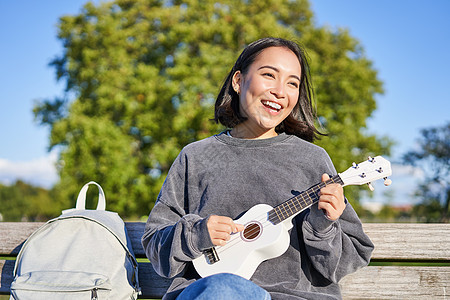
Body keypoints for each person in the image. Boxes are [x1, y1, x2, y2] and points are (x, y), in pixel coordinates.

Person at [141, 37, 374, 300]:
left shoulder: (312, 160)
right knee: (224, 289)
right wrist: (197, 234)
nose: (280, 91)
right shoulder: (196, 156)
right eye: (269, 75)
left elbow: (348, 260)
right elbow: (154, 243)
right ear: (238, 81)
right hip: (212, 293)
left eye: (292, 83)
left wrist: (323, 228)